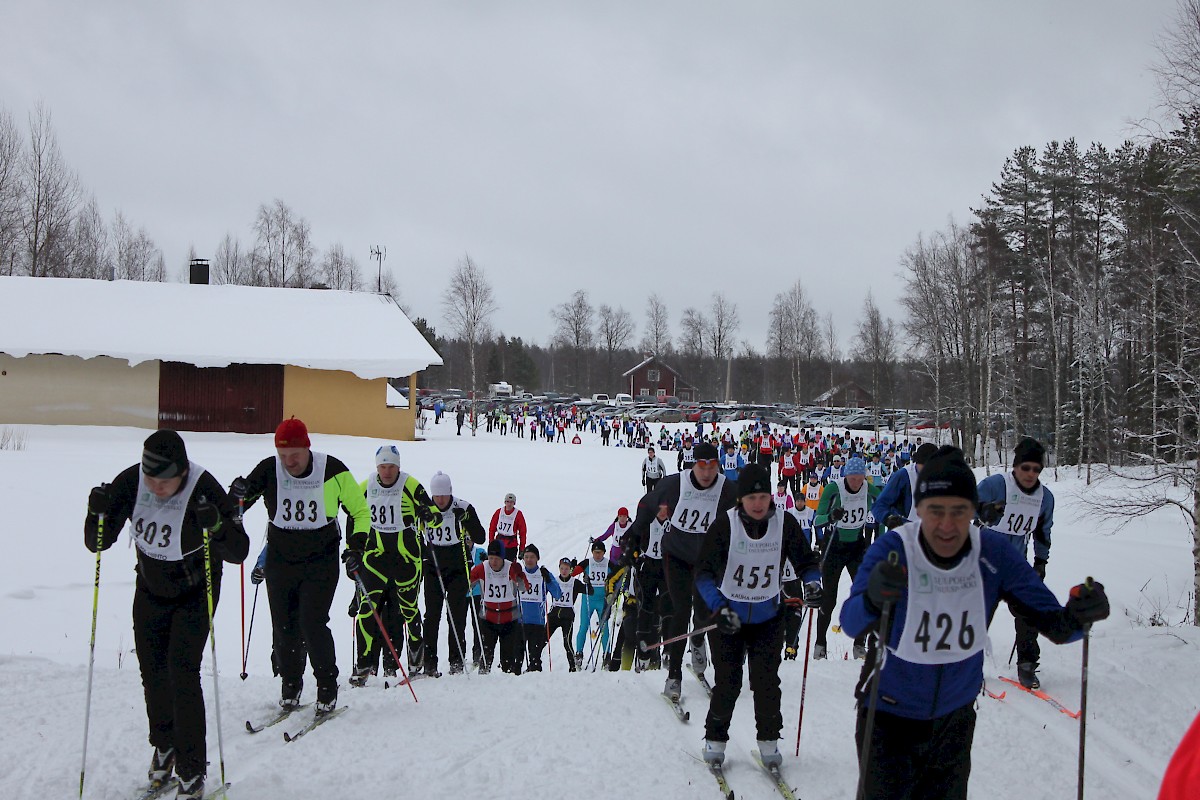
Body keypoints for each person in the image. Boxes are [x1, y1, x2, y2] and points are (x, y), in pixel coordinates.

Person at [840, 446, 1109, 800]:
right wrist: (874, 597)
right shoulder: (894, 548)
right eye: (936, 511)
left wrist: (1081, 614)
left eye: (959, 511)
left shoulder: (994, 553)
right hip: (888, 717)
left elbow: (1057, 625)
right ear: (919, 510)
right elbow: (851, 621)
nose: (948, 525)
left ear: (973, 511)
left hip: (954, 721)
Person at [86, 430, 250, 800]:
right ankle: (165, 745)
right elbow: (97, 540)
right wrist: (95, 511)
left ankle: (192, 768)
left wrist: (218, 526)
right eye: (151, 480)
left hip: (196, 591)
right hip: (150, 587)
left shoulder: (205, 487)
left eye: (165, 481)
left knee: (182, 670)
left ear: (182, 471)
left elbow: (238, 549)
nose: (156, 488)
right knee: (152, 669)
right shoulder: (132, 481)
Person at [230, 417, 368, 717]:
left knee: (312, 622)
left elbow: (359, 510)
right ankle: (290, 685)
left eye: (295, 454)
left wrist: (355, 547)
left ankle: (327, 688)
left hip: (320, 557)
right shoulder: (269, 469)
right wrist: (236, 494)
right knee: (284, 625)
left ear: (308, 447)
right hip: (281, 556)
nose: (289, 462)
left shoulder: (332, 470)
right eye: (283, 455)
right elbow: (239, 504)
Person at [693, 464, 822, 767]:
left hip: (768, 616)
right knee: (728, 682)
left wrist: (813, 584)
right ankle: (715, 740)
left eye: (764, 496)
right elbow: (703, 573)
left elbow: (806, 563)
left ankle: (768, 742)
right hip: (730, 618)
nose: (758, 504)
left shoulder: (785, 524)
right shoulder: (725, 526)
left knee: (765, 682)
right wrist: (718, 607)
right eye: (752, 498)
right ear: (741, 500)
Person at [628, 442, 738, 701]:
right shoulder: (675, 484)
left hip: (707, 560)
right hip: (676, 555)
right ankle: (674, 675)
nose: (707, 472)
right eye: (702, 466)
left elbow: (750, 511)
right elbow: (647, 503)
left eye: (713, 466)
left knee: (704, 611)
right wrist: (633, 535)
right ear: (694, 465)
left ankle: (697, 641)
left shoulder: (726, 488)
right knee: (680, 611)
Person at [342, 445, 438, 686]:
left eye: (391, 467)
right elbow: (352, 517)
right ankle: (363, 664)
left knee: (408, 610)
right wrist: (352, 549)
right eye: (382, 467)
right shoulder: (366, 486)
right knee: (367, 609)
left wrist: (427, 513)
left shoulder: (410, 484)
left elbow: (435, 514)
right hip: (375, 558)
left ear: (398, 467)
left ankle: (416, 659)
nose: (386, 472)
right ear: (377, 467)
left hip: (405, 558)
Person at [976, 437, 1056, 689]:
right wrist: (982, 510)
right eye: (1026, 468)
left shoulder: (1045, 498)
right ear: (1015, 466)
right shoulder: (996, 485)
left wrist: (1040, 561)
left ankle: (1027, 665)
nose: (1031, 474)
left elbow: (1043, 531)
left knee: (1029, 612)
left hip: (1015, 566)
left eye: (1036, 469)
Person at [811, 456, 882, 660]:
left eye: (860, 479)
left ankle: (859, 644)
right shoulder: (834, 488)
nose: (857, 483)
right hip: (834, 546)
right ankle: (820, 643)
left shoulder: (868, 488)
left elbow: (886, 500)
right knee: (829, 598)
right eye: (853, 479)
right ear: (846, 476)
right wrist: (831, 516)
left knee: (863, 594)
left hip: (857, 547)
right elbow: (817, 519)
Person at [420, 471, 486, 675]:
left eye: (444, 495)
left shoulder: (463, 507)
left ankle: (456, 661)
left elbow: (481, 537)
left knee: (457, 615)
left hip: (457, 564)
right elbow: (412, 535)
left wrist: (466, 519)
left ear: (450, 492)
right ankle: (429, 662)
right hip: (433, 564)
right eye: (436, 496)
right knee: (432, 615)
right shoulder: (424, 508)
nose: (440, 500)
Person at [469, 540, 532, 673]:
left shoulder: (511, 568)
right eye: (491, 558)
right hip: (488, 619)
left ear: (502, 557)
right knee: (486, 656)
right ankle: (482, 681)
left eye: (497, 558)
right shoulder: (482, 568)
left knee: (507, 659)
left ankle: (507, 683)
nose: (493, 562)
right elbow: (466, 584)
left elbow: (524, 588)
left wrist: (519, 575)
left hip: (509, 619)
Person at [516, 544, 564, 671]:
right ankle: (514, 680)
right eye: (526, 557)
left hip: (537, 623)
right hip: (520, 621)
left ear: (537, 558)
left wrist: (548, 580)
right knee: (517, 656)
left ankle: (535, 681)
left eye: (532, 557)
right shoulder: (519, 573)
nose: (529, 560)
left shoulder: (543, 574)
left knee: (535, 657)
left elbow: (558, 594)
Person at [871, 442, 938, 528]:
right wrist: (888, 519)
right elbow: (879, 504)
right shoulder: (904, 475)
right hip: (905, 529)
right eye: (924, 467)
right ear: (917, 462)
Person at [575, 541, 617, 668]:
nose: (597, 555)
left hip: (602, 600)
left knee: (604, 627)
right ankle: (579, 653)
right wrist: (574, 568)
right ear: (592, 552)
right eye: (595, 552)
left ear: (604, 552)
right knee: (584, 626)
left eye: (600, 553)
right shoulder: (586, 563)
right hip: (588, 599)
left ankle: (607, 654)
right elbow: (571, 573)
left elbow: (618, 576)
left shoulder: (609, 564)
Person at [548, 557, 586, 671]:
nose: (564, 571)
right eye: (562, 568)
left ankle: (572, 667)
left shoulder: (574, 582)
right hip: (554, 614)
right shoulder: (554, 581)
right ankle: (534, 665)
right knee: (542, 639)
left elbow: (589, 591)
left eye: (566, 569)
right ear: (559, 569)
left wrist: (587, 581)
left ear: (570, 570)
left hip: (567, 616)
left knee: (567, 642)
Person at [488, 492, 528, 561]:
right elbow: (492, 528)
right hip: (499, 544)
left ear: (514, 503)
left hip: (511, 545)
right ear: (505, 502)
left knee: (510, 567)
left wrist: (522, 549)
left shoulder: (518, 514)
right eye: (507, 502)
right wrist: (491, 542)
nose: (509, 504)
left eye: (511, 502)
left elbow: (523, 532)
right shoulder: (499, 512)